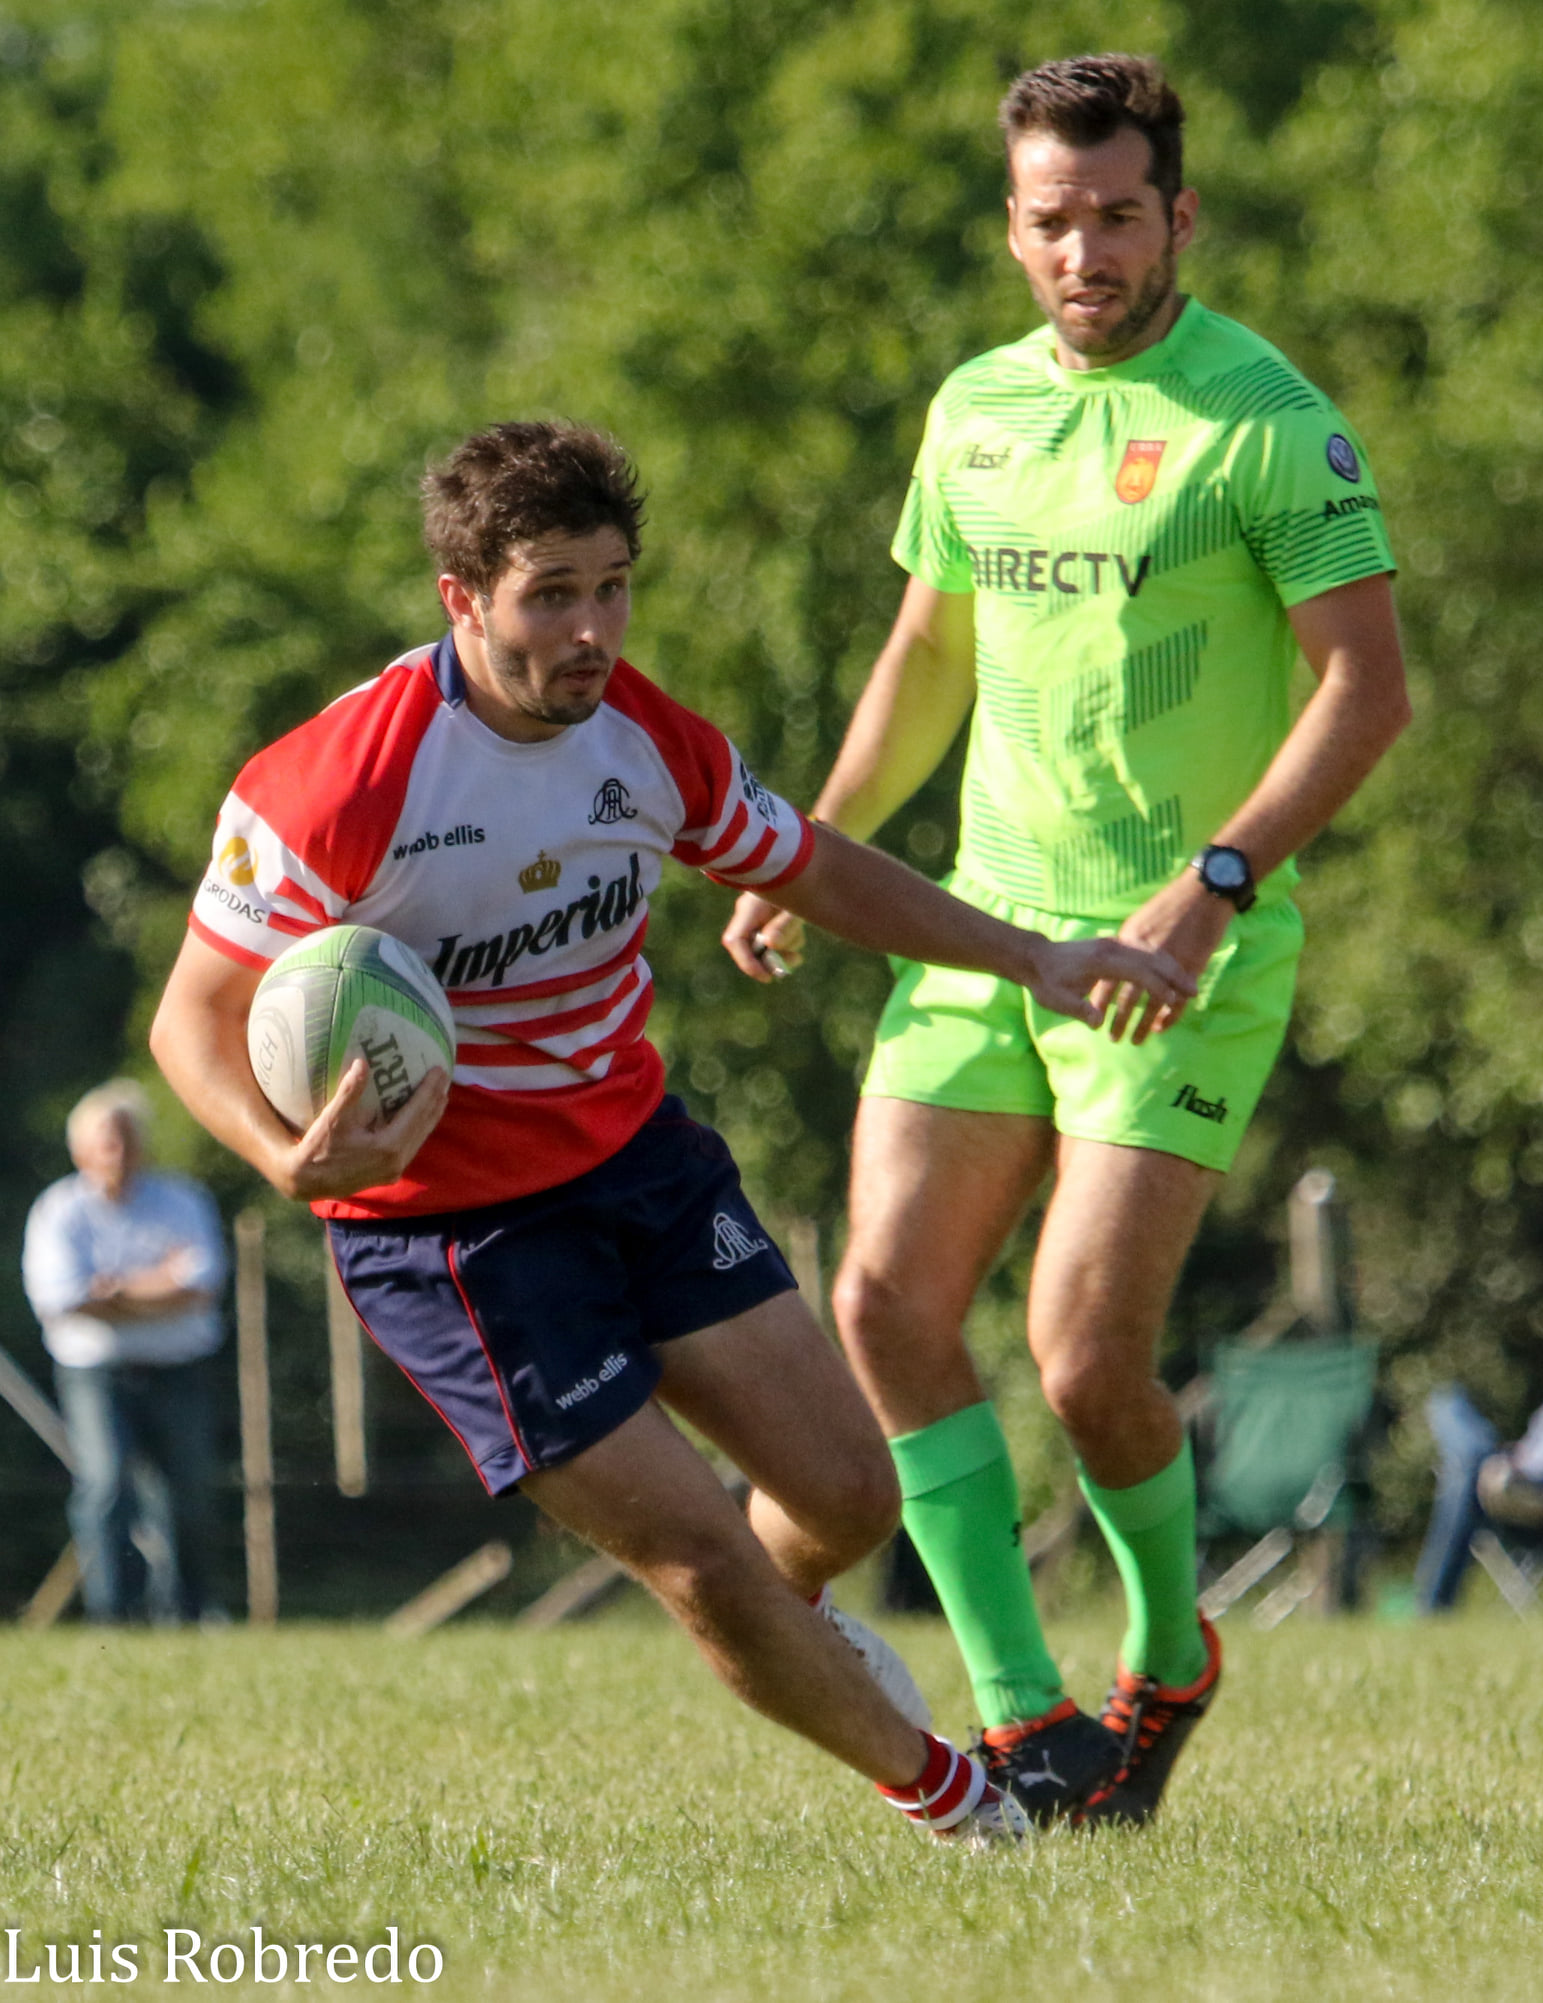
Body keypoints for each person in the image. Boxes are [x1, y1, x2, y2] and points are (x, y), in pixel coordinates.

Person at [148, 419, 1193, 1844]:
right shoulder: (336, 786)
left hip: (637, 1159)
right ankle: (965, 1803)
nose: (592, 629)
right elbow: (190, 1021)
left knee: (843, 1492)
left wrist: (1033, 957)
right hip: (454, 1236)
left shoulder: (645, 738)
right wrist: (284, 1158)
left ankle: (781, 1639)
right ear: (462, 598)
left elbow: (810, 863)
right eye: (551, 595)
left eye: (613, 586)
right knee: (696, 1557)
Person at [725, 54, 1410, 1826]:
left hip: (1174, 953)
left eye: (1117, 216)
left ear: (1176, 213)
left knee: (1083, 1357)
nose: (1084, 250)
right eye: (1052, 221)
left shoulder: (1260, 417)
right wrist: (814, 842)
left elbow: (1365, 684)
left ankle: (1167, 1651)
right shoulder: (970, 411)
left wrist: (1218, 877)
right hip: (977, 936)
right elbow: (925, 655)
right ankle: (1025, 1718)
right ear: (1012, 228)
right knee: (879, 1299)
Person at [22, 1079, 227, 1624]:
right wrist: (160, 1285)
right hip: (96, 1374)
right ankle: (114, 1615)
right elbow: (61, 1299)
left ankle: (188, 1612)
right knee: (107, 1487)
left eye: (128, 1138)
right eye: (107, 1140)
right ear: (81, 1148)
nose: (119, 1151)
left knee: (188, 1492)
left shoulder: (183, 1199)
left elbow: (202, 1284)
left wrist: (112, 1291)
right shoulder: (58, 1211)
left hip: (179, 1369)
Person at [1415, 1385, 1543, 1612]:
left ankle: (1432, 1605)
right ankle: (1432, 1605)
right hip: (1513, 1471)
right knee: (1447, 1401)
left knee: (1466, 1466)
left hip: (1535, 1494)